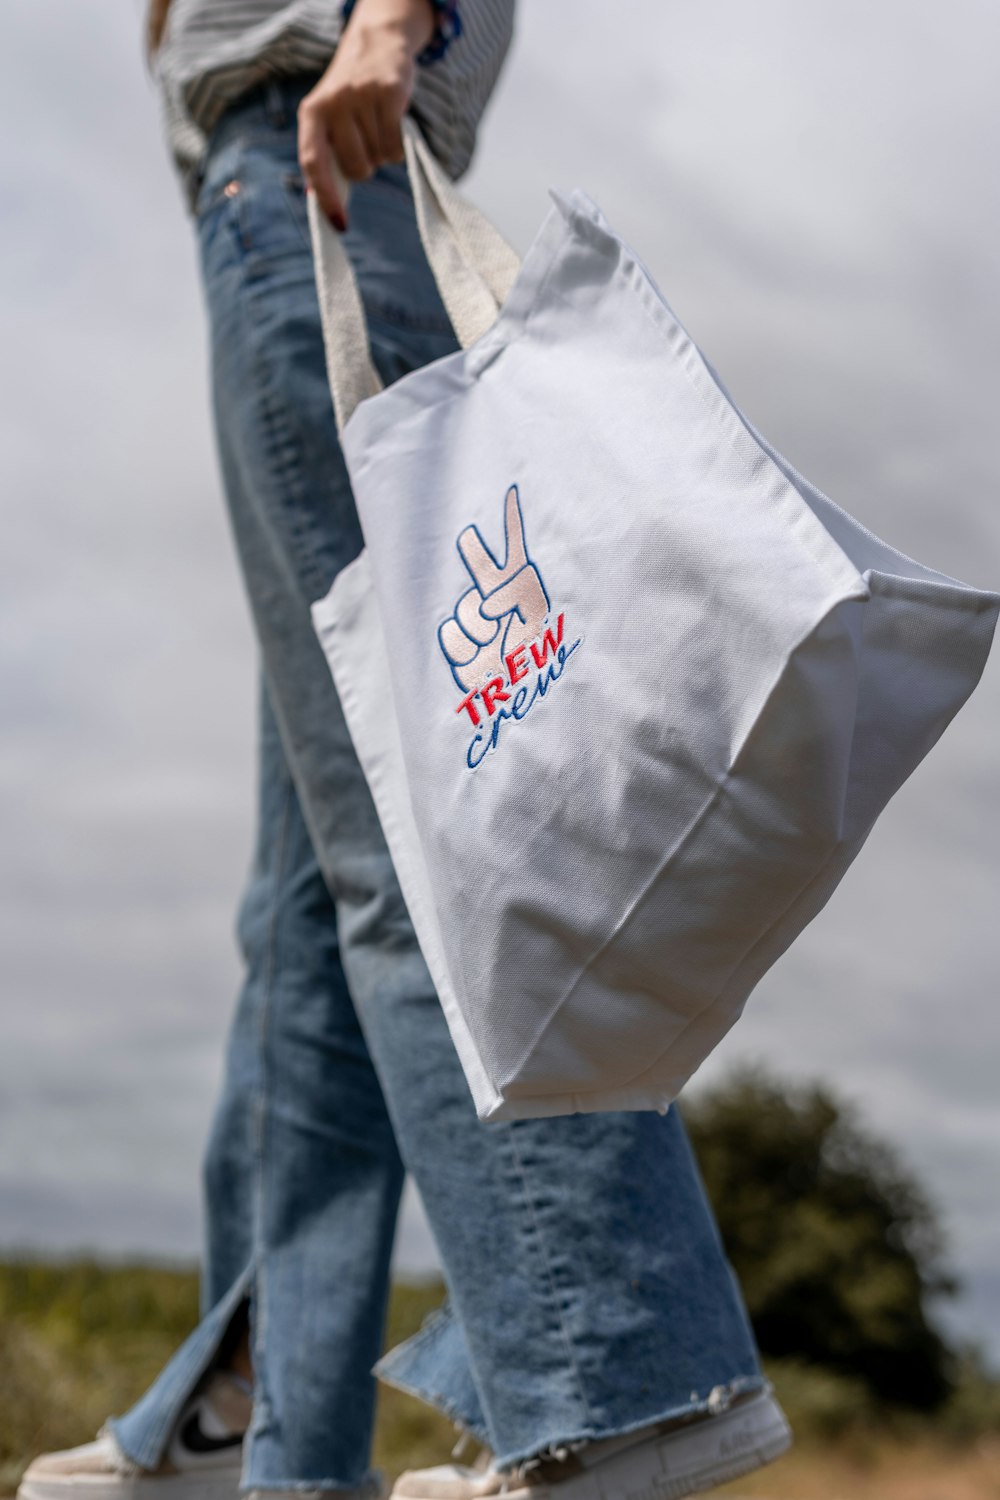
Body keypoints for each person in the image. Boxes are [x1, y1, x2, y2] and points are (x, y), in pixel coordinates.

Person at [17, 5, 792, 1500]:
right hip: (301, 175)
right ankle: (265, 1423)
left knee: (415, 839)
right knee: (310, 907)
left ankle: (621, 1376)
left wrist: (388, 21)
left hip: (316, 160)